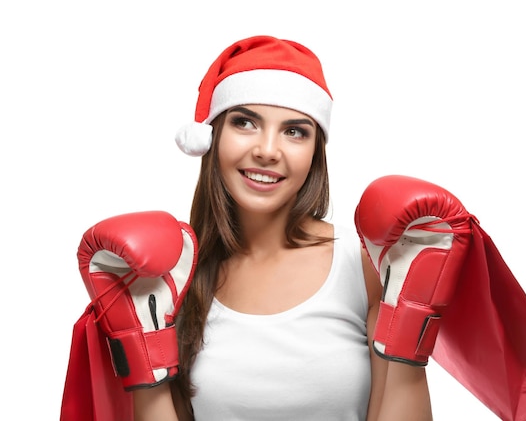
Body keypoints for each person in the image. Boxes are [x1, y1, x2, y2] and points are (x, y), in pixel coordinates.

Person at [129, 35, 433, 420]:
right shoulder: (175, 279)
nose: (268, 150)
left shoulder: (363, 266)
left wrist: (413, 316)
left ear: (314, 152)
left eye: (295, 131)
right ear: (212, 136)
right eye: (245, 122)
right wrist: (141, 354)